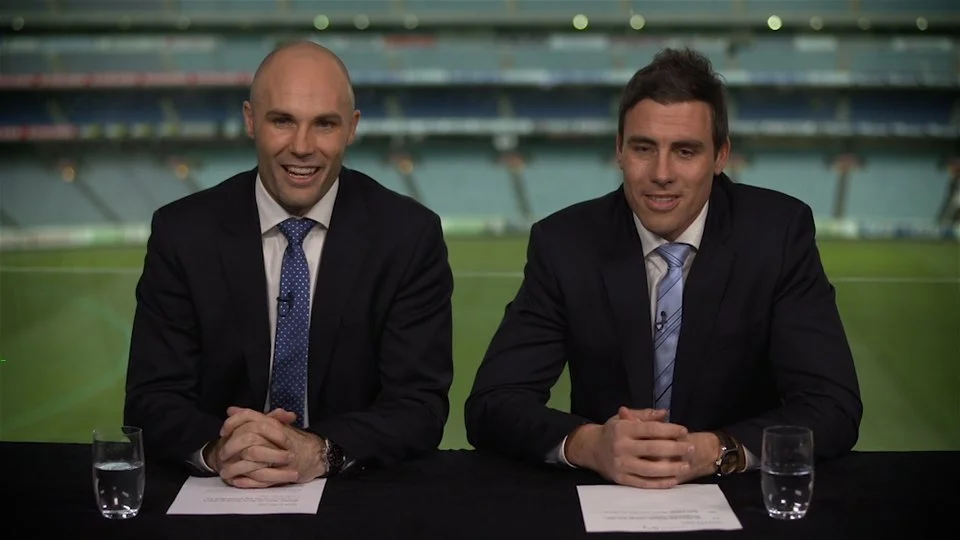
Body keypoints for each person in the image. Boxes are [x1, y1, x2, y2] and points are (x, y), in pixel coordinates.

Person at [464, 48, 862, 489]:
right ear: (619, 150)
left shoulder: (778, 235)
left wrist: (713, 451)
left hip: (735, 493)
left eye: (685, 151)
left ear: (721, 156)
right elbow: (492, 403)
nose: (661, 173)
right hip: (607, 494)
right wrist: (590, 444)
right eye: (643, 148)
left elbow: (832, 406)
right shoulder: (564, 243)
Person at [124, 41, 454, 488]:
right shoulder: (182, 232)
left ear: (352, 128)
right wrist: (221, 449)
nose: (302, 147)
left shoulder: (409, 235)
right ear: (250, 120)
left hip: (350, 490)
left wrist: (318, 450)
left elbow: (419, 406)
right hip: (221, 487)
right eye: (282, 121)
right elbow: (151, 398)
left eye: (325, 124)